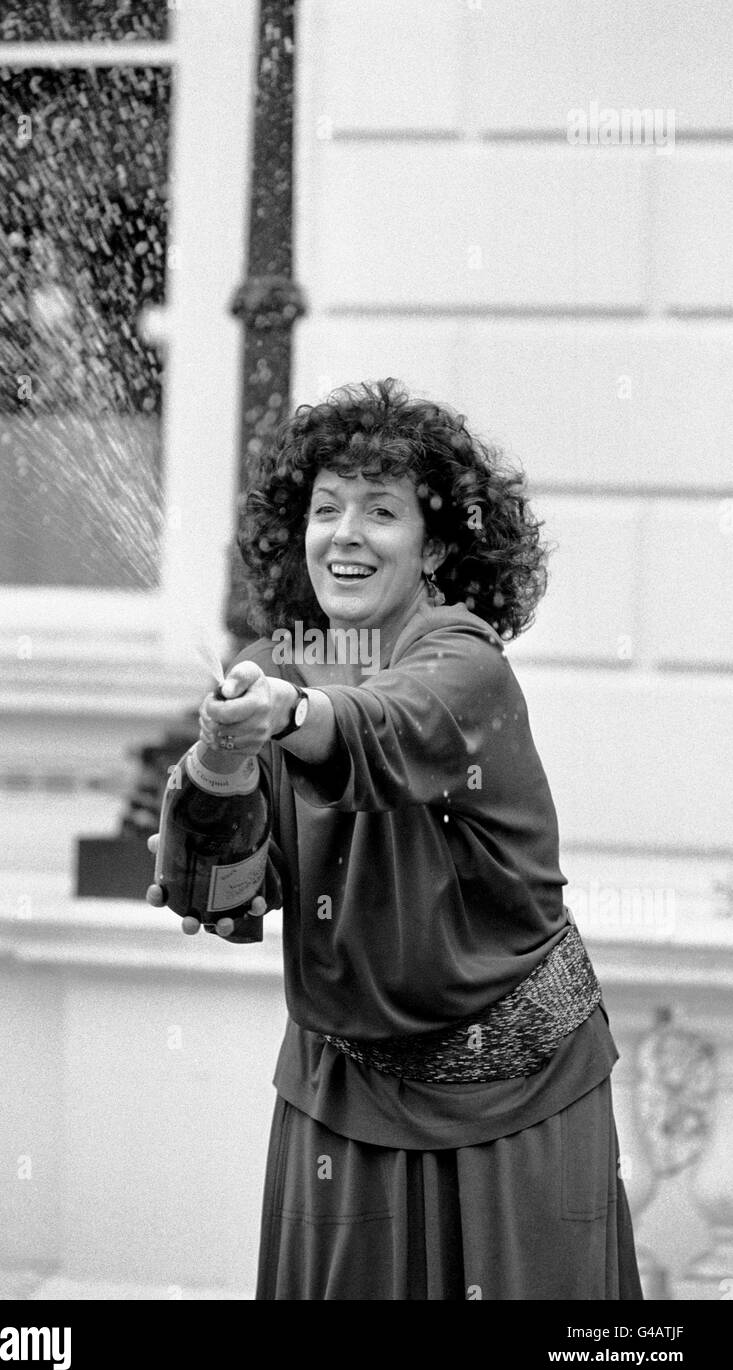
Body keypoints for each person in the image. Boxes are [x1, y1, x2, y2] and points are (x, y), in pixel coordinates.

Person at [157, 378, 643, 1301]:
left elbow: (386, 728)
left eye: (380, 511)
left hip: (521, 1098)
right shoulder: (274, 670)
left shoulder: (465, 662)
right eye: (324, 508)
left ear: (436, 547)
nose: (344, 534)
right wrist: (218, 771)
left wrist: (285, 713)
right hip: (341, 1097)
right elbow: (212, 890)